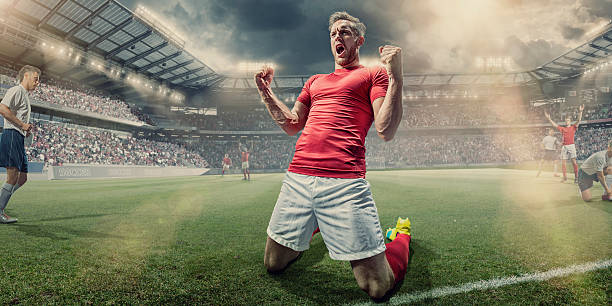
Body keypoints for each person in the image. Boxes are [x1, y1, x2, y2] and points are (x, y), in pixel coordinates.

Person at [254, 11, 410, 301]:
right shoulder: (315, 81)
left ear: (359, 40)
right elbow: (292, 125)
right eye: (333, 33)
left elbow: (386, 129)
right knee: (273, 264)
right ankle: (317, 222)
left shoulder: (372, 74)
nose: (337, 36)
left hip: (344, 183)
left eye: (345, 31)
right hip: (298, 178)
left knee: (377, 287)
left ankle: (401, 236)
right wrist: (265, 91)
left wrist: (396, 76)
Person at [0, 65, 39, 223]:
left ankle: (1, 201)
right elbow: (2, 108)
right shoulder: (17, 90)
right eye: (36, 79)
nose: (38, 83)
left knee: (22, 178)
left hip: (19, 137)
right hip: (12, 135)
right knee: (12, 176)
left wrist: (25, 129)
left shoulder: (25, 95)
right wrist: (22, 125)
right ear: (26, 76)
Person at [544, 105, 583, 183]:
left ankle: (576, 178)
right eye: (566, 120)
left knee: (574, 162)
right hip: (564, 146)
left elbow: (579, 120)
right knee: (563, 163)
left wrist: (581, 111)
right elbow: (554, 125)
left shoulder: (573, 127)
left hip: (571, 145)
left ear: (570, 121)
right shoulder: (563, 128)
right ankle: (565, 178)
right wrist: (549, 118)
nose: (566, 121)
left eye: (568, 120)